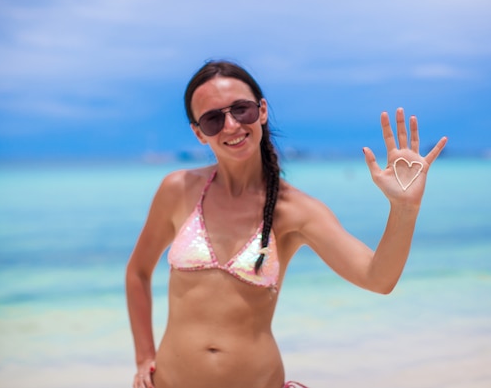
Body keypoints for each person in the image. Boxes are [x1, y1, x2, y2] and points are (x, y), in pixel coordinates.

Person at [125, 60, 447, 388]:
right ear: (198, 132)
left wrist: (404, 207)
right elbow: (137, 273)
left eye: (241, 109)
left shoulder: (295, 210)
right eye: (212, 119)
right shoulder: (177, 190)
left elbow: (378, 278)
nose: (232, 125)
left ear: (262, 111)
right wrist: (143, 357)